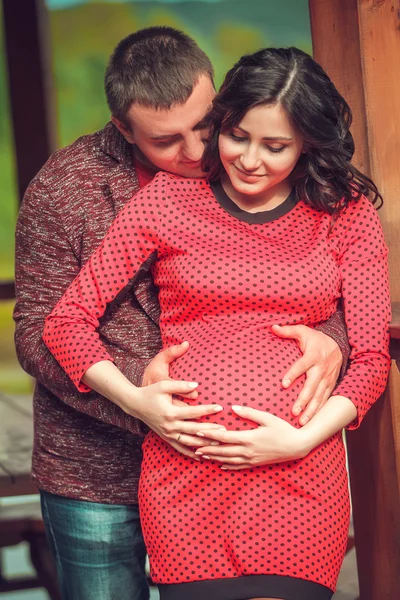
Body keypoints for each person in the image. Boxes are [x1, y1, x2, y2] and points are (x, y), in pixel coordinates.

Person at [15, 28, 348, 600]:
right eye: (167, 140)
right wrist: (138, 403)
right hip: (97, 467)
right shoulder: (63, 189)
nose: (196, 151)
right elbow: (38, 331)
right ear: (123, 128)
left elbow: (306, 281)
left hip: (231, 468)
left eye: (205, 124)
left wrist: (332, 338)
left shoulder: (250, 162)